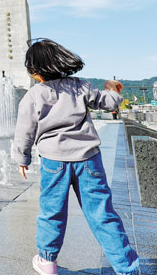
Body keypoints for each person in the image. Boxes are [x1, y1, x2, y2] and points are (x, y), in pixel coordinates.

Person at [13, 38, 138, 275]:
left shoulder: (34, 95)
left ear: (36, 71)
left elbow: (24, 130)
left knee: (52, 212)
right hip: (88, 159)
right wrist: (112, 88)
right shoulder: (80, 86)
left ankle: (47, 261)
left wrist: (23, 159)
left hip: (53, 162)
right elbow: (107, 102)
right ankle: (126, 266)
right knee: (102, 212)